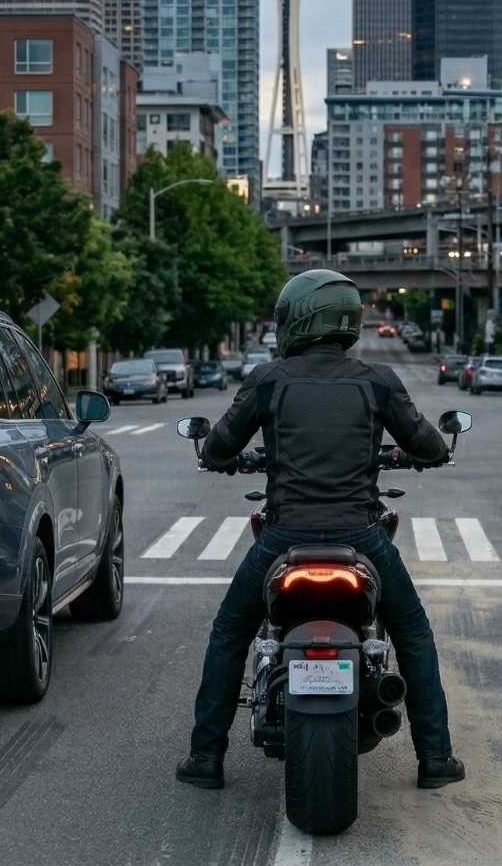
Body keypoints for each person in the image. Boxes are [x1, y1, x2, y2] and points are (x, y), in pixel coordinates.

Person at [176, 269, 465, 792]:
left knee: (229, 634)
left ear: (300, 317)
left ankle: (205, 758)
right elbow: (429, 445)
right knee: (414, 635)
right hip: (363, 537)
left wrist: (222, 458)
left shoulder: (268, 380)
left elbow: (218, 447)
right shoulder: (377, 381)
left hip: (284, 538)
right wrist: (430, 452)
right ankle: (436, 759)